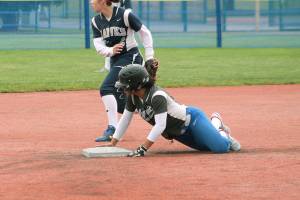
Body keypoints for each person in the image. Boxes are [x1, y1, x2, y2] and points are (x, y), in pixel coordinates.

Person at [100, 64, 241, 157]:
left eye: (125, 86)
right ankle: (215, 128)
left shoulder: (157, 96)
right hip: (179, 134)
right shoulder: (133, 97)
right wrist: (113, 142)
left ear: (137, 85)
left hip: (192, 120)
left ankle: (217, 123)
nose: (123, 89)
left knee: (221, 148)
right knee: (207, 149)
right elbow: (125, 118)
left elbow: (160, 125)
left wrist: (143, 148)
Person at [90, 0, 155, 142]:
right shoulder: (95, 21)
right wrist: (110, 50)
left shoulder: (125, 15)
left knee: (106, 88)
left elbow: (145, 33)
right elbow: (98, 45)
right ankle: (149, 107)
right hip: (115, 61)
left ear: (102, 1)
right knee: (122, 104)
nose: (90, 3)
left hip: (131, 57)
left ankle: (112, 129)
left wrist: (149, 57)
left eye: (93, 0)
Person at [102, 0, 132, 72]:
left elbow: (129, 10)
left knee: (127, 45)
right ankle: (107, 66)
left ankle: (128, 64)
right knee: (109, 43)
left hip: (122, 22)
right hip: (111, 21)